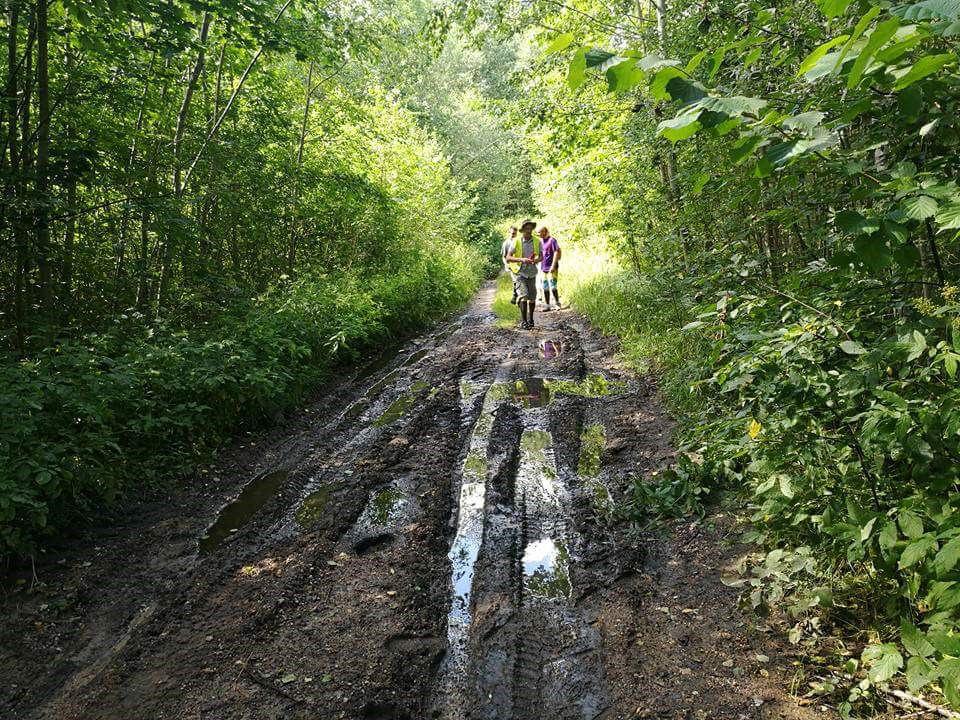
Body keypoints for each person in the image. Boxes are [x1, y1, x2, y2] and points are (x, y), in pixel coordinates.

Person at [505, 220, 541, 329]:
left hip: (532, 272)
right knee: (524, 295)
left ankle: (531, 320)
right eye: (527, 229)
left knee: (532, 298)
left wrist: (536, 260)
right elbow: (508, 257)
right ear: (523, 230)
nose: (529, 230)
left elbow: (541, 257)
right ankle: (524, 321)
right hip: (519, 272)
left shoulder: (537, 241)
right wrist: (522, 259)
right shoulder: (516, 241)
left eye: (530, 228)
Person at [538, 226, 562, 311]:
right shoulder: (540, 242)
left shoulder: (552, 240)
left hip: (552, 267)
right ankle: (547, 305)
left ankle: (557, 303)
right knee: (545, 287)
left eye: (539, 232)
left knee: (553, 287)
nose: (538, 234)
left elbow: (556, 252)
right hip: (543, 267)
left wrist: (553, 265)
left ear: (544, 232)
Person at [501, 226, 518, 304]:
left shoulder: (519, 242)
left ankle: (519, 296)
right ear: (509, 233)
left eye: (514, 233)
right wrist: (506, 265)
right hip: (511, 265)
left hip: (520, 264)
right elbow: (504, 256)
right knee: (515, 280)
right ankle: (515, 295)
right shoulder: (506, 243)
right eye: (512, 233)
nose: (513, 235)